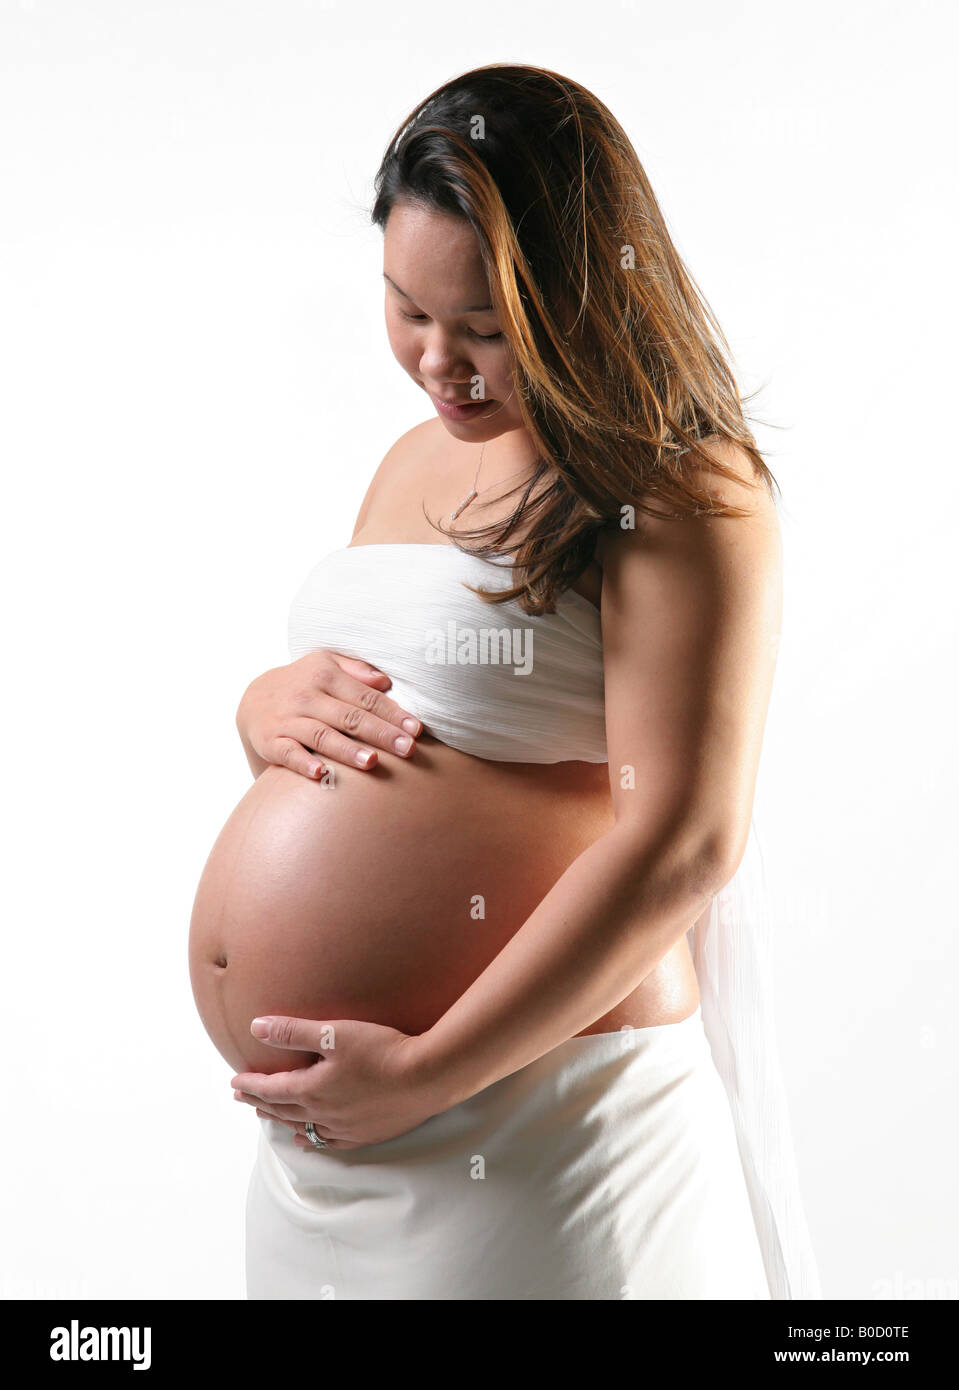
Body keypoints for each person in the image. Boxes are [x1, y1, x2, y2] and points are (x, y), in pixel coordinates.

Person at [204, 62, 820, 1300]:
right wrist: (261, 713)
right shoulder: (405, 461)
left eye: (484, 327)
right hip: (326, 1162)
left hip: (540, 1129)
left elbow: (683, 840)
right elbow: (408, 719)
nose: (440, 363)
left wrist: (427, 1070)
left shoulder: (679, 484)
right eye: (404, 309)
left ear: (579, 293)